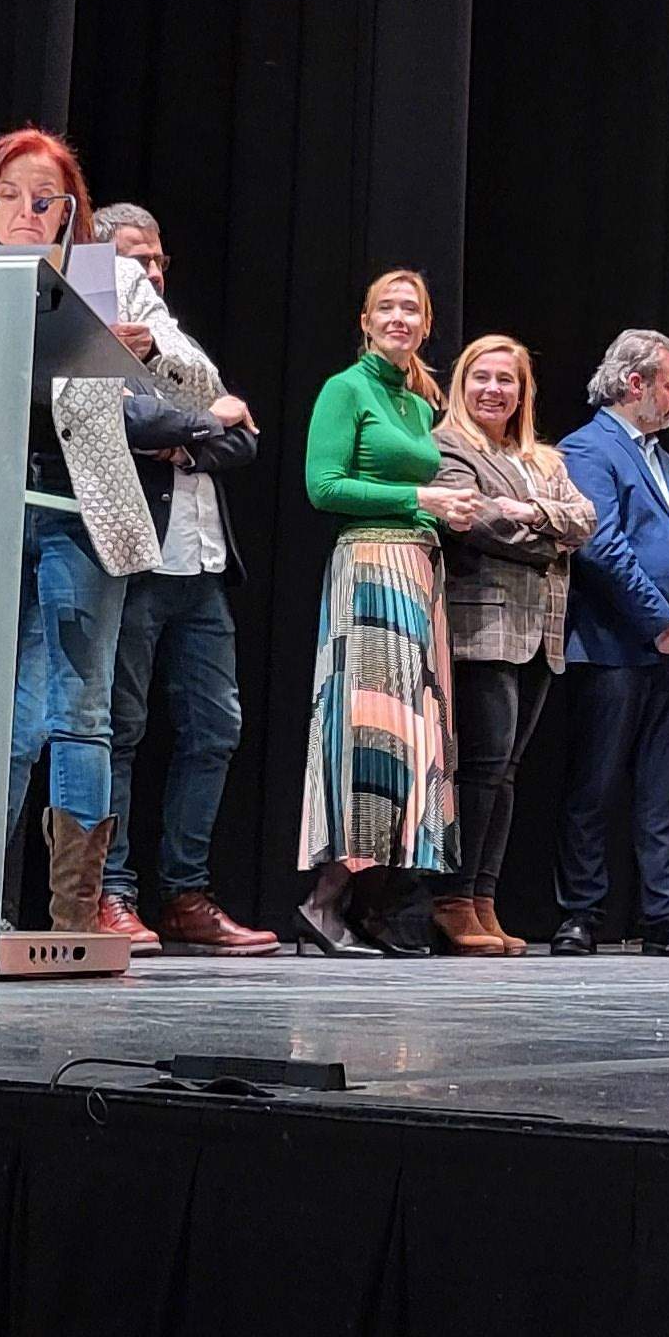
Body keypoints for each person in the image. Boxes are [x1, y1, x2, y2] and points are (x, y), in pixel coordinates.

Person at [0, 129, 214, 937]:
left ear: (69, 207)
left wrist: (142, 353)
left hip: (80, 512)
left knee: (78, 712)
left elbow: (203, 379)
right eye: (8, 196)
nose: (25, 212)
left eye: (44, 199)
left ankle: (75, 919)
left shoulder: (100, 277)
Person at [86, 202, 280, 955]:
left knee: (216, 728)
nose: (155, 272)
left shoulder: (180, 343)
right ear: (106, 264)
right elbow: (124, 421)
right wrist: (205, 422)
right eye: (138, 258)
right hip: (134, 559)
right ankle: (112, 892)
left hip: (200, 561)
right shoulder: (102, 333)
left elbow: (247, 443)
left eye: (161, 258)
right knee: (120, 731)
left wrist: (193, 437)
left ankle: (185, 893)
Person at [293, 269, 483, 955]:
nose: (400, 318)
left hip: (416, 572)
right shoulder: (347, 389)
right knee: (373, 737)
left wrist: (447, 512)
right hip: (371, 567)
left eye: (412, 309)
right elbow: (323, 486)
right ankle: (323, 900)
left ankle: (348, 903)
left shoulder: (417, 400)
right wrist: (419, 502)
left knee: (412, 742)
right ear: (366, 320)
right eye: (388, 307)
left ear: (426, 325)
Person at [551, 330, 669, 957]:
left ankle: (667, 916)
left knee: (665, 787)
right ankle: (582, 915)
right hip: (612, 647)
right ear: (635, 384)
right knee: (594, 785)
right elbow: (602, 547)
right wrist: (661, 623)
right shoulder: (588, 449)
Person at [431, 334, 599, 955]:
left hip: (540, 631)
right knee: (481, 768)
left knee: (506, 774)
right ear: (462, 384)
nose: (493, 390)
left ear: (522, 392)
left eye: (506, 380)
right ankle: (450, 899)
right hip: (484, 629)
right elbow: (473, 522)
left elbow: (585, 521)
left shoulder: (545, 460)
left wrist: (526, 512)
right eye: (482, 378)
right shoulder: (448, 446)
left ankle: (481, 897)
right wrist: (542, 523)